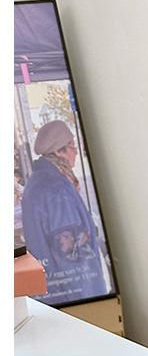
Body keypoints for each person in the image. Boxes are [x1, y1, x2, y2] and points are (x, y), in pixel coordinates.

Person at [21, 119, 112, 303]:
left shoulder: (39, 181)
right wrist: (94, 301)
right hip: (74, 298)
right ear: (59, 151)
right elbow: (74, 260)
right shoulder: (56, 190)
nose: (76, 152)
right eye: (72, 146)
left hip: (55, 295)